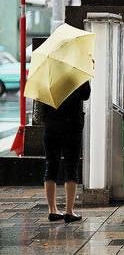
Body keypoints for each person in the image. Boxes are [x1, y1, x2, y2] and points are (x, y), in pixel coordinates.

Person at [42, 81, 90, 223]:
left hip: (51, 124)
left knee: (51, 164)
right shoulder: (76, 73)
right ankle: (69, 211)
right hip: (72, 124)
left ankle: (52, 210)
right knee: (71, 165)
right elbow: (85, 95)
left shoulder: (48, 74)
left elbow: (40, 98)